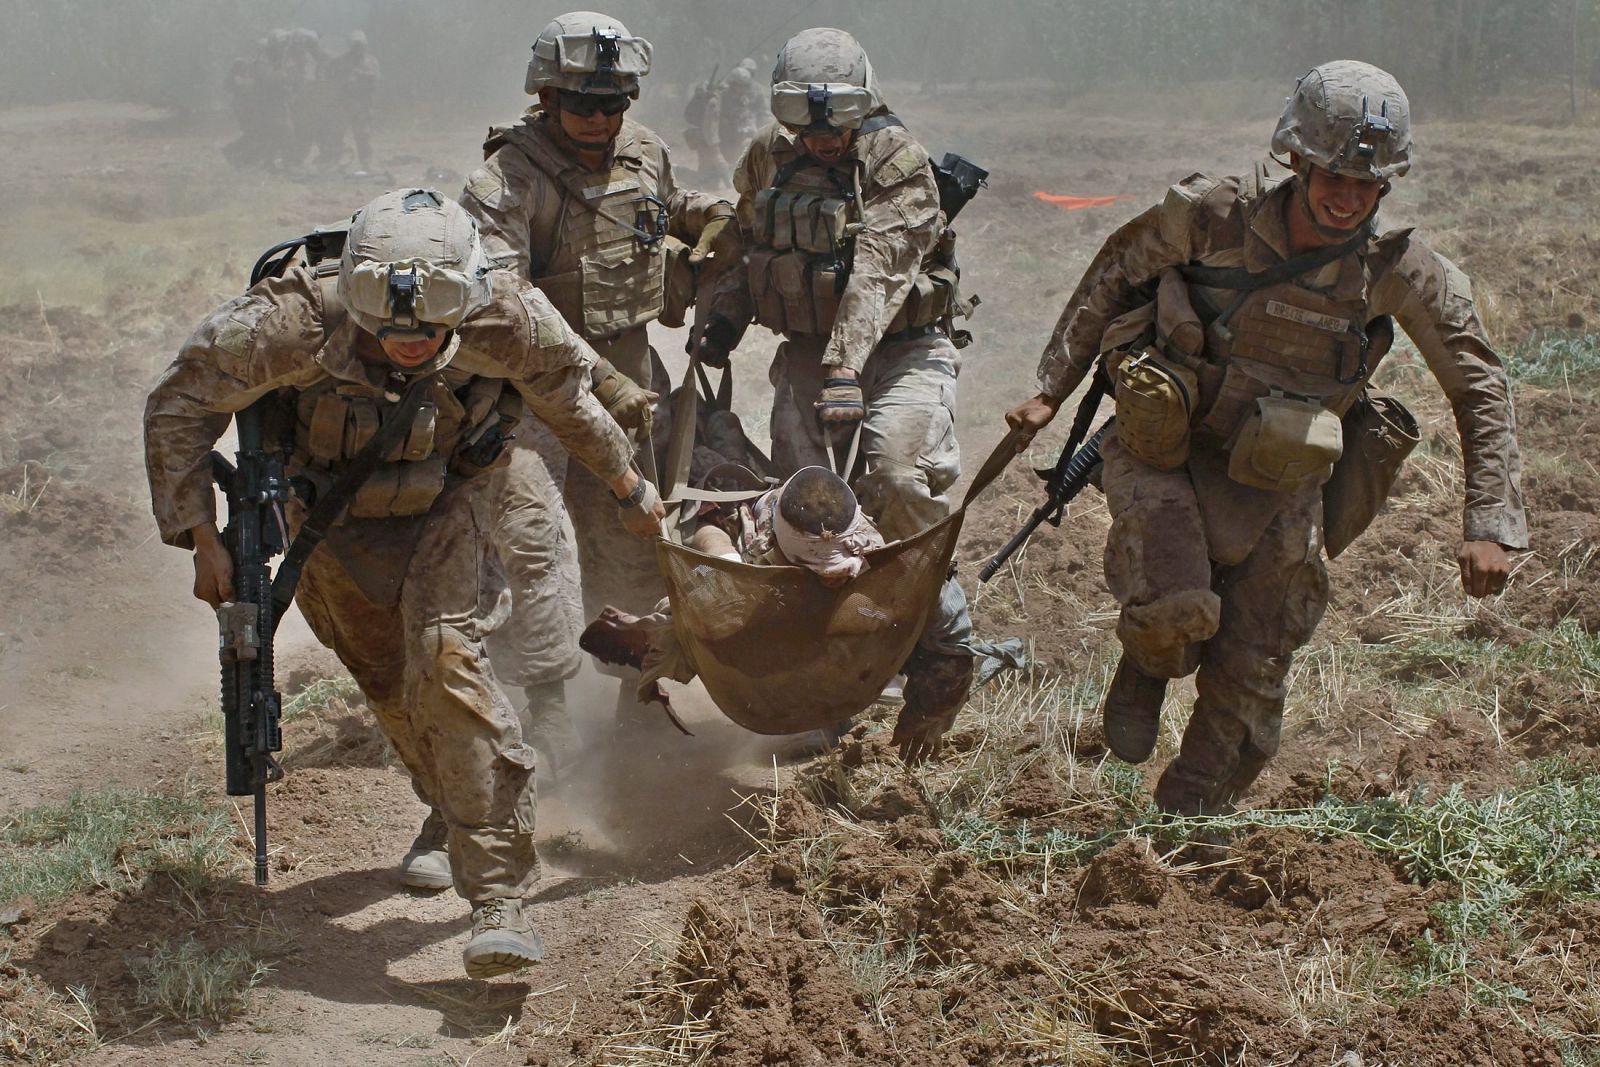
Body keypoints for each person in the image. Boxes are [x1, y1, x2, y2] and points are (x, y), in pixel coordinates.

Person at [143, 188, 664, 978]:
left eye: (435, 314)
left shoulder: (504, 315)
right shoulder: (290, 321)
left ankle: (497, 897)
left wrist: (630, 489)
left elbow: (569, 398)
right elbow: (180, 403)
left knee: (448, 660)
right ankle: (449, 809)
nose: (411, 337)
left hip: (447, 503)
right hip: (330, 523)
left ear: (469, 288)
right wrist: (199, 535)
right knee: (392, 685)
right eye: (386, 318)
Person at [1004, 60, 1527, 818]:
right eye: (1334, 178)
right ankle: (1150, 661)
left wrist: (1492, 523)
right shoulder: (1212, 216)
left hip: (1278, 474)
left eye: (1367, 185)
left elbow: (1478, 380)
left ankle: (1188, 824)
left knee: (1256, 669)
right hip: (1165, 447)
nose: (1348, 199)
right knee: (1177, 603)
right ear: (1297, 160)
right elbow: (1116, 269)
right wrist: (1051, 389)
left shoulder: (1394, 269)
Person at [694, 27, 997, 761]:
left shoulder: (896, 159)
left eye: (837, 120)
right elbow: (748, 239)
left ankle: (943, 644)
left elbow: (880, 275)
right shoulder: (768, 154)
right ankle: (826, 681)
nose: (823, 137)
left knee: (895, 476)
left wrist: (843, 371)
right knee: (809, 508)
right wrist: (725, 315)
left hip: (903, 348)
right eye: (806, 120)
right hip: (809, 351)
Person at [458, 11, 739, 758]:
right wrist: (598, 375)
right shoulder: (505, 179)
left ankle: (636, 689)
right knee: (536, 542)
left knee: (637, 539)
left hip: (634, 378)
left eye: (615, 103)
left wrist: (710, 218)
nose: (600, 117)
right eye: (583, 103)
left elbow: (662, 208)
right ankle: (544, 709)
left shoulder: (642, 151)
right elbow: (504, 299)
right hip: (535, 394)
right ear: (546, 96)